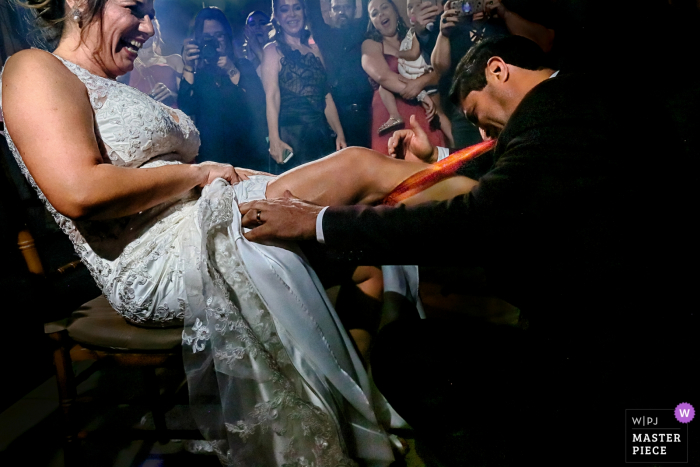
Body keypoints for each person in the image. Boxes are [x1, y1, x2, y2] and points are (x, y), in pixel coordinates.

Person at [2, 1, 480, 464]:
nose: (148, 28)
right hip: (160, 256)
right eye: (135, 9)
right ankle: (501, 205)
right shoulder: (33, 69)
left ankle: (350, 414)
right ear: (80, 2)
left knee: (365, 256)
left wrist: (254, 180)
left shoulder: (118, 84)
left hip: (204, 209)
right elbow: (78, 190)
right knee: (359, 168)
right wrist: (198, 174)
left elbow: (204, 173)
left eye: (150, 14)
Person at [237, 35, 695, 464]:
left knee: (406, 354)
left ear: (498, 70)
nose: (482, 136)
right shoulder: (582, 103)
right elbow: (528, 180)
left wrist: (316, 221)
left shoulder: (562, 109)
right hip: (619, 339)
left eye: (478, 117)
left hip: (617, 361)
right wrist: (433, 163)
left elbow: (474, 220)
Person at [178, 7, 269, 171]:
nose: (214, 41)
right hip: (212, 158)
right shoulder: (199, 76)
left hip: (248, 154)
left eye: (219, 35)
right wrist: (188, 67)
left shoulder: (243, 66)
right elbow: (186, 107)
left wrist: (230, 69)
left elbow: (258, 101)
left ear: (228, 36)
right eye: (207, 38)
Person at [262, 0, 346, 173]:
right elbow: (272, 97)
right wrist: (274, 140)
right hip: (292, 139)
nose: (292, 14)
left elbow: (326, 96)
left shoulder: (315, 51)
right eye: (285, 10)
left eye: (297, 7)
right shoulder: (272, 51)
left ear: (304, 11)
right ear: (277, 17)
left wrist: (340, 133)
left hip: (320, 136)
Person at [362, 0, 444, 153]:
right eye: (374, 13)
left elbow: (438, 71)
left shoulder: (413, 38)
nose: (381, 14)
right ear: (372, 22)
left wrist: (421, 83)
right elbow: (383, 76)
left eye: (384, 7)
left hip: (422, 113)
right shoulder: (370, 44)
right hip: (391, 116)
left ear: (395, 12)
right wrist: (420, 94)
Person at [306, 0, 374, 148]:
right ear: (330, 11)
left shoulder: (362, 31)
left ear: (355, 9)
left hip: (367, 113)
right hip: (337, 116)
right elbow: (312, 10)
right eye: (336, 8)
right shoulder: (323, 35)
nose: (341, 12)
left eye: (346, 7)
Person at [128, 18, 182, 108]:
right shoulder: (126, 64)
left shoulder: (174, 60)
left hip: (170, 115)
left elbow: (188, 99)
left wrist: (171, 95)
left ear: (155, 33)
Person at [242, 10, 271, 76]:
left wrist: (257, 49)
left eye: (262, 23)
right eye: (252, 24)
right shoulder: (242, 61)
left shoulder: (279, 51)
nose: (257, 27)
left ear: (270, 27)